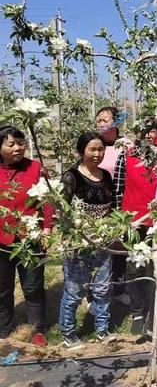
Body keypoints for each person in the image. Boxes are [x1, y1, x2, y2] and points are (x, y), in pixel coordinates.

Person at [59, 132, 116, 350]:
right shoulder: (71, 177)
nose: (97, 154)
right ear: (82, 151)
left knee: (102, 288)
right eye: (92, 149)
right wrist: (69, 236)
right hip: (77, 243)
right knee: (74, 289)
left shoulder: (106, 176)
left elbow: (110, 209)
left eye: (101, 149)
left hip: (102, 242)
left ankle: (102, 329)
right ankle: (68, 332)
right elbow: (60, 210)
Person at [0, 126, 53, 347]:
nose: (18, 148)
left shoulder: (35, 168)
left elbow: (48, 199)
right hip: (2, 239)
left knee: (33, 285)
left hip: (30, 237)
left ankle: (37, 330)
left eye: (21, 144)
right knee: (2, 288)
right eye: (11, 144)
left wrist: (48, 228)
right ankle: (4, 330)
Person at [113, 120, 157, 336]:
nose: (149, 135)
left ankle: (155, 312)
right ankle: (138, 312)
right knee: (134, 268)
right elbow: (118, 188)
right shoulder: (127, 155)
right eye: (145, 131)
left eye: (153, 131)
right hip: (134, 220)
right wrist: (118, 220)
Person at [96, 106, 132, 303]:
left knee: (119, 247)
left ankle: (118, 288)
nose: (101, 123)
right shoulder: (93, 144)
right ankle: (95, 291)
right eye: (99, 120)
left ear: (116, 123)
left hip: (119, 204)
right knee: (97, 247)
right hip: (97, 203)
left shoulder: (126, 145)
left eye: (105, 120)